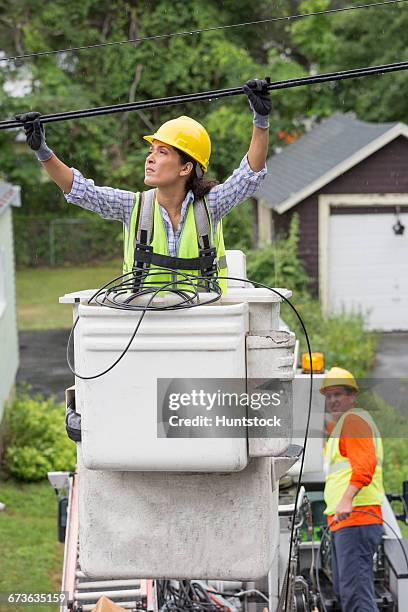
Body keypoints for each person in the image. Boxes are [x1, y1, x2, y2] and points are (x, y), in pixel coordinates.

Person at [16, 79, 271, 292]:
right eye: (151, 151)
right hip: (146, 326)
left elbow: (249, 176)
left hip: (205, 323)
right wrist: (42, 151)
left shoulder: (210, 205)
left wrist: (260, 121)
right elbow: (80, 190)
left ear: (186, 168)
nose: (150, 158)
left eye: (162, 152)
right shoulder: (133, 207)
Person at [321, 366, 384, 612]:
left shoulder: (354, 420)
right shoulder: (339, 429)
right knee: (347, 593)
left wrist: (346, 499)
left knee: (356, 596)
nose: (333, 400)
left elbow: (365, 465)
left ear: (352, 396)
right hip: (346, 521)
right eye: (329, 395)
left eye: (338, 394)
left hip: (357, 517)